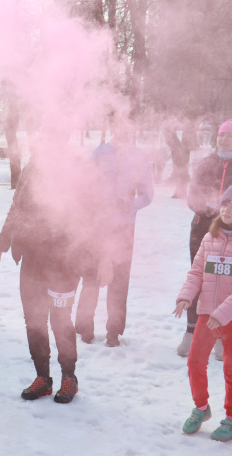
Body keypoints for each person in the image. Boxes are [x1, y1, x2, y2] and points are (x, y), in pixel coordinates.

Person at [0, 150, 104, 404]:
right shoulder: (31, 168)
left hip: (64, 261)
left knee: (61, 320)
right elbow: (15, 209)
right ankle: (43, 378)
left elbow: (91, 219)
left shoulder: (76, 168)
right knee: (34, 321)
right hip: (32, 259)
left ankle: (68, 377)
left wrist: (94, 264)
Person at [173, 178, 232, 442]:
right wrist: (185, 297)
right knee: (194, 361)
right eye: (224, 204)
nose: (225, 211)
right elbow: (197, 272)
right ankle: (201, 408)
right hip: (207, 312)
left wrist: (222, 313)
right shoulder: (210, 236)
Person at [178, 119, 232, 357]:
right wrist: (203, 206)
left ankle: (221, 335)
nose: (224, 139)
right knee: (200, 278)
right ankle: (192, 331)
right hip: (203, 229)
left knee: (226, 282)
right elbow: (192, 192)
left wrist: (231, 214)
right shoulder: (206, 162)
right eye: (221, 135)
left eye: (229, 136)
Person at [74, 123, 153, 347]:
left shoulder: (139, 157)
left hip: (124, 227)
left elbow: (148, 194)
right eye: (119, 123)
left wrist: (130, 204)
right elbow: (84, 184)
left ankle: (113, 332)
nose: (123, 129)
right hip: (97, 224)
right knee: (91, 275)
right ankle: (85, 328)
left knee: (119, 279)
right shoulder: (99, 153)